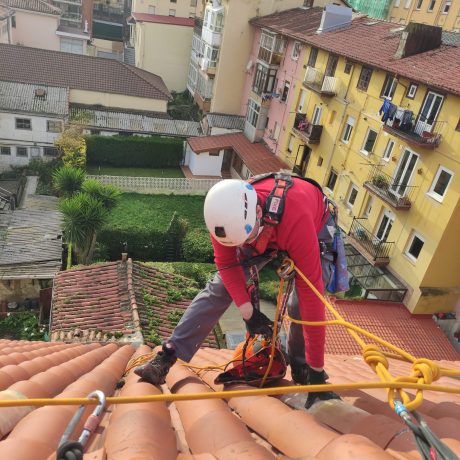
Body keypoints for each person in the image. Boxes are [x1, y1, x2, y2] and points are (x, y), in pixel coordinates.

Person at [135, 175, 341, 409]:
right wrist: (248, 313)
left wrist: (317, 371)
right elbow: (227, 266)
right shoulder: (224, 218)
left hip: (314, 228)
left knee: (300, 306)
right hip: (262, 229)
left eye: (249, 237)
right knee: (219, 287)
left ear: (257, 211)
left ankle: (305, 369)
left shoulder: (295, 219)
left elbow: (312, 299)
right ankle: (167, 356)